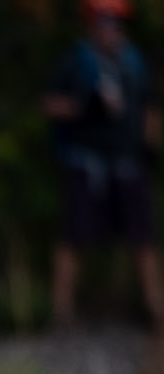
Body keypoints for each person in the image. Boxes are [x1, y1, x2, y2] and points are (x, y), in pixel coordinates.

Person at [44, 0, 164, 332]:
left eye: (114, 22)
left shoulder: (134, 63)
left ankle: (157, 311)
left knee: (143, 238)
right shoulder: (77, 60)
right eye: (102, 21)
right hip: (86, 162)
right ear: (91, 24)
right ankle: (62, 314)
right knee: (72, 238)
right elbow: (50, 104)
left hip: (128, 162)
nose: (108, 28)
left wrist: (148, 148)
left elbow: (149, 108)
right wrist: (84, 107)